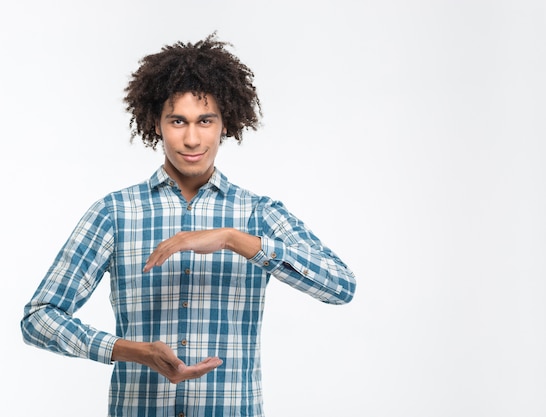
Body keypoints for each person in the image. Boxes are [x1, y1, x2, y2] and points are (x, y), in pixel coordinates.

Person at [21, 33, 356, 417]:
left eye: (205, 121)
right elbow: (39, 318)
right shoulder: (115, 213)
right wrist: (132, 351)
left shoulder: (255, 214)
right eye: (177, 121)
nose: (192, 138)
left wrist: (234, 239)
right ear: (156, 123)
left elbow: (340, 285)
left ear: (224, 124)